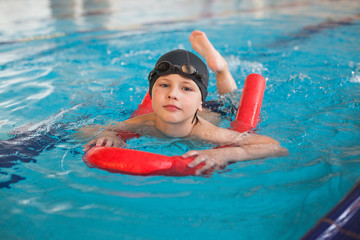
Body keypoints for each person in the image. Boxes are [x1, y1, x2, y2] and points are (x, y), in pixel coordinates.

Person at [80, 30, 288, 175]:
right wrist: (108, 135)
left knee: (230, 103)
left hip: (213, 112)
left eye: (186, 88)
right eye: (164, 85)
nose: (173, 95)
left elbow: (276, 147)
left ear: (199, 101)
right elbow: (84, 131)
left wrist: (225, 153)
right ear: (151, 94)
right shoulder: (142, 123)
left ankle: (220, 68)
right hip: (190, 109)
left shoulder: (209, 134)